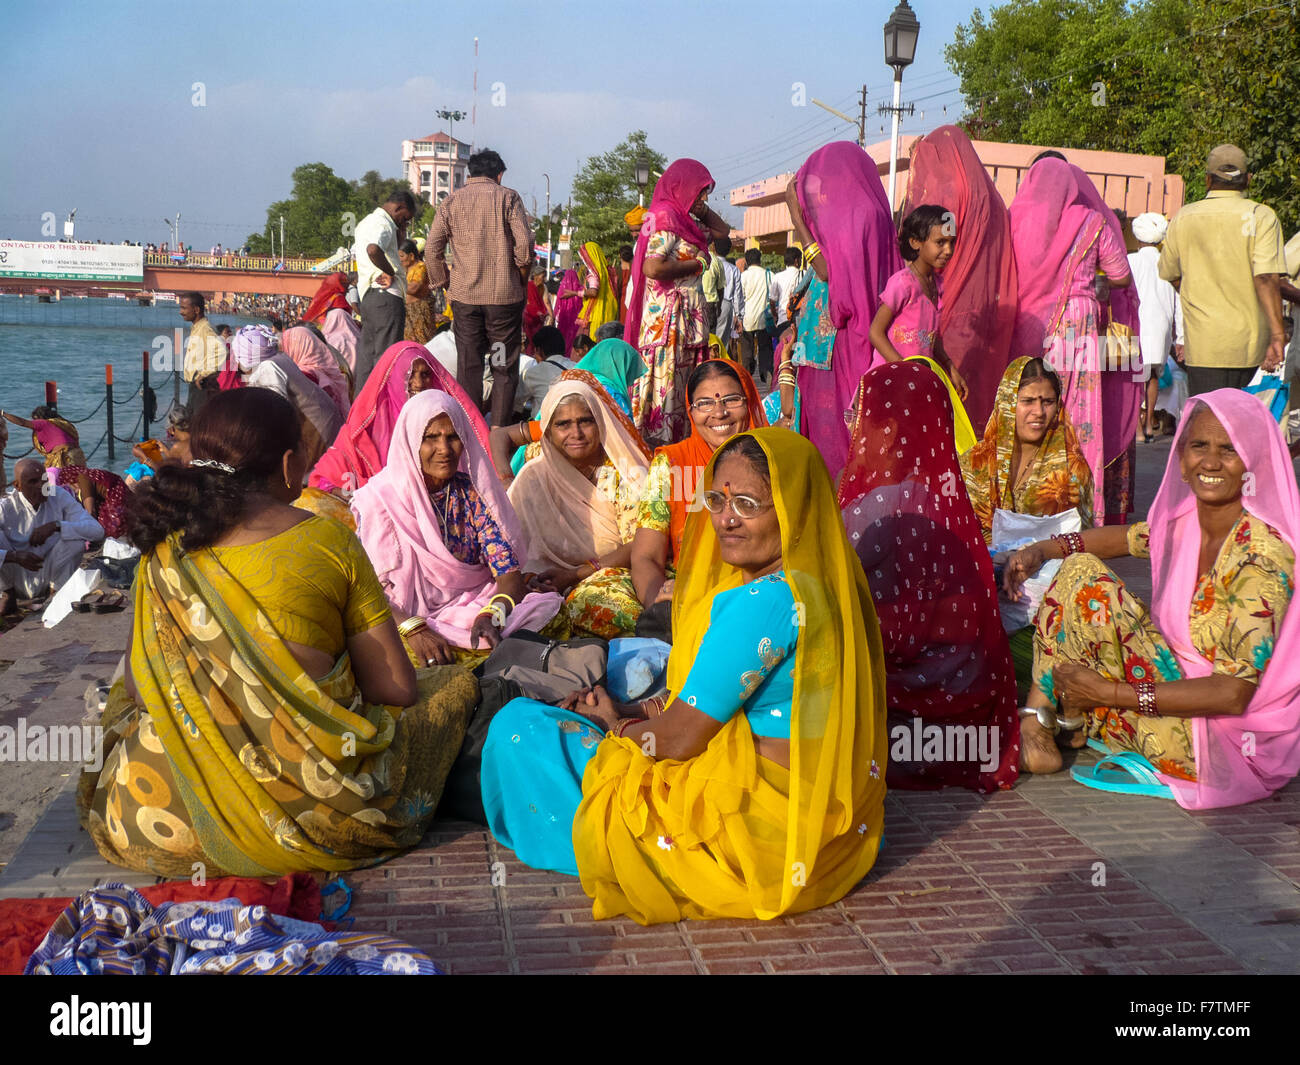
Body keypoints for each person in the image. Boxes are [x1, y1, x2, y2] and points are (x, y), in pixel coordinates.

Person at [479, 429, 888, 923]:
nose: (725, 519)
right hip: (818, 817)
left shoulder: (762, 603)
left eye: (747, 503)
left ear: (791, 508)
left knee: (518, 728)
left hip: (748, 827)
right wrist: (637, 709)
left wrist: (615, 724)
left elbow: (676, 741)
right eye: (717, 499)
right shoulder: (823, 585)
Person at [77, 388, 475, 876]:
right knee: (454, 685)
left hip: (152, 817)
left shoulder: (163, 551)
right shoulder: (329, 539)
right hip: (321, 815)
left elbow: (142, 692)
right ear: (289, 464)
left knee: (119, 691)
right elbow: (394, 687)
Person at [1005, 391, 1299, 797]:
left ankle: (1048, 718)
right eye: (1199, 446)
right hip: (1173, 693)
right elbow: (1123, 538)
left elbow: (1232, 694)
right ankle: (1056, 718)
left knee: (1088, 645)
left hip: (1222, 741)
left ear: (1253, 462)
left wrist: (1108, 692)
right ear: (1180, 459)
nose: (1211, 462)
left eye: (1229, 450)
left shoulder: (1262, 556)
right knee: (1079, 569)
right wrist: (1044, 550)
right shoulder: (1185, 524)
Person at [840, 361, 1020, 788]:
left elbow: (831, 575)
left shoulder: (872, 506)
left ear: (884, 430)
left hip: (898, 691)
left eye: (860, 415)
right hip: (960, 693)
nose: (853, 426)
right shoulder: (947, 499)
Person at [350, 390, 562, 666]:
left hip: (471, 606)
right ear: (410, 441)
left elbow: (508, 575)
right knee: (401, 655)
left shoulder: (472, 492)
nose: (444, 450)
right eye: (431, 438)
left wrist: (492, 615)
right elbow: (365, 589)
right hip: (400, 618)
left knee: (546, 609)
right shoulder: (379, 501)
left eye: (452, 437)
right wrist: (413, 628)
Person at [1009, 157, 1134, 525]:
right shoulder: (1091, 221)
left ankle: (1027, 502)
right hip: (1077, 326)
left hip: (1029, 325)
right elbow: (1121, 274)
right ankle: (1077, 511)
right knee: (1079, 419)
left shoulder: (1017, 218)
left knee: (1033, 411)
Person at [783, 142, 903, 479]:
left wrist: (796, 218)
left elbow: (827, 272)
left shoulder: (858, 215)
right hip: (834, 346)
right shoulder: (867, 210)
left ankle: (837, 517)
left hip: (840, 347)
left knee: (836, 444)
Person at [508, 379, 652, 638]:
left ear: (600, 422)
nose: (576, 433)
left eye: (585, 421)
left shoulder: (624, 473)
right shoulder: (535, 474)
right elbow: (510, 546)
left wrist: (575, 574)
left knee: (605, 607)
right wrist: (531, 580)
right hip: (543, 582)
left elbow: (641, 544)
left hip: (612, 574)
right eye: (563, 424)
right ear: (548, 430)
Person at [901, 124, 1019, 428]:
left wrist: (917, 165)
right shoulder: (991, 197)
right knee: (974, 401)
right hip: (985, 312)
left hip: (947, 306)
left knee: (939, 413)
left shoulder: (947, 190)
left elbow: (916, 235)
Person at [630, 359, 767, 613]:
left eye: (731, 399)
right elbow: (645, 556)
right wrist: (660, 607)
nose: (719, 413)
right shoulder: (671, 465)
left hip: (760, 588)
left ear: (749, 401)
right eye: (705, 403)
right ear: (691, 412)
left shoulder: (772, 461)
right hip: (689, 589)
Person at [1158, 144, 1288, 395]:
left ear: (1208, 180)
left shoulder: (1183, 217)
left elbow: (1172, 275)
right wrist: (1277, 335)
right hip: (1251, 347)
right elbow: (1266, 277)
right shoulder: (1261, 216)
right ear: (1247, 180)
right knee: (1242, 425)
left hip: (1204, 346)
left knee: (1208, 423)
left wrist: (1199, 295)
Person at [623, 158, 732, 446]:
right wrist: (695, 266)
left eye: (705, 191)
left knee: (686, 387)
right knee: (667, 389)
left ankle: (684, 451)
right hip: (668, 325)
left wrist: (698, 206)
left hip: (688, 324)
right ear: (682, 188)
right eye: (700, 191)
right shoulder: (665, 217)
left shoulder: (686, 222)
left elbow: (723, 233)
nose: (705, 197)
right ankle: (661, 454)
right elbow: (653, 268)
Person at [425, 148, 533, 426]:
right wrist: (520, 279)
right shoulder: (508, 197)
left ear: (470, 173)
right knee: (502, 367)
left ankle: (470, 429)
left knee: (469, 365)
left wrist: (446, 285)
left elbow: (431, 251)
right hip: (503, 301)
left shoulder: (450, 202)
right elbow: (524, 246)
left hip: (466, 299)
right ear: (498, 174)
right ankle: (497, 430)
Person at [309, 341, 487, 498]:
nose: (418, 383)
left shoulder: (443, 421)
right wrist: (361, 500)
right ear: (392, 378)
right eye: (408, 375)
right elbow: (326, 479)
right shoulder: (365, 425)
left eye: (425, 374)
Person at [959, 357, 1094, 544]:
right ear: (1007, 402)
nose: (1039, 412)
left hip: (1050, 565)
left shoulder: (1072, 468)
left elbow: (1081, 540)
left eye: (1048, 402)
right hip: (979, 565)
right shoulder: (974, 463)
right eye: (1028, 401)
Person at [869, 203, 972, 416]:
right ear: (916, 242)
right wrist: (904, 370)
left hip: (915, 385)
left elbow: (931, 339)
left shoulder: (937, 284)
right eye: (940, 242)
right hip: (891, 382)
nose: (948, 250)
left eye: (951, 243)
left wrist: (951, 368)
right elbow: (875, 332)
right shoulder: (903, 283)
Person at [229, 325, 345, 472]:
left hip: (317, 431)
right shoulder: (279, 358)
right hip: (325, 422)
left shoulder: (268, 368)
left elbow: (274, 415)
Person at [0, 458, 104, 613]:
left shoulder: (58, 495)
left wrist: (57, 526)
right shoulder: (5, 506)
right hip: (16, 577)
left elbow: (97, 531)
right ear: (18, 486)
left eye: (43, 480)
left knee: (75, 540)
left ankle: (57, 593)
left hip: (50, 573)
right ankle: (8, 594)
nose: (41, 486)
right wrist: (14, 556)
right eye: (33, 482)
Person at [353, 190, 416, 387]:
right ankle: (380, 410)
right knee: (386, 360)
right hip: (386, 297)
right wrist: (389, 270)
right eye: (405, 219)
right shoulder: (384, 224)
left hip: (370, 297)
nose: (404, 224)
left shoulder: (365, 223)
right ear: (399, 208)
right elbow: (373, 249)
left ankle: (361, 411)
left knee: (368, 360)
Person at [1128, 212, 1179, 441]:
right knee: (1153, 377)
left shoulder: (1131, 261)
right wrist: (1181, 338)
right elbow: (1179, 301)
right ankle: (1149, 425)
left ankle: (1137, 430)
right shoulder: (1169, 263)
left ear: (1138, 238)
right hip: (1161, 328)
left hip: (1138, 327)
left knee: (1134, 379)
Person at [280, 326, 351, 418]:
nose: (284, 352)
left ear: (296, 347)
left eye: (287, 347)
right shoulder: (324, 369)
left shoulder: (305, 375)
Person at [53, 464, 129, 541]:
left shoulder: (83, 479)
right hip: (128, 500)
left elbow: (90, 512)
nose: (75, 491)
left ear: (70, 480)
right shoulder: (90, 474)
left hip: (120, 510)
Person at [180, 292, 224, 413]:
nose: (181, 312)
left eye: (184, 308)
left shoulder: (205, 329)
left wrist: (205, 373)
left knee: (197, 423)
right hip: (197, 384)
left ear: (196, 310)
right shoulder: (198, 328)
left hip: (201, 386)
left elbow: (221, 351)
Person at [0, 406, 84, 468]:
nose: (34, 422)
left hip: (63, 456)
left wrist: (3, 413)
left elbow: (22, 422)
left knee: (55, 484)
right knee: (77, 484)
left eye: (34, 419)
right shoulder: (62, 424)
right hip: (77, 454)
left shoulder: (43, 423)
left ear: (40, 417)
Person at [738, 248, 773, 382]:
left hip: (747, 317)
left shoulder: (743, 276)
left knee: (747, 349)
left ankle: (746, 376)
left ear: (746, 261)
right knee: (765, 348)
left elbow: (740, 296)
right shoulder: (768, 275)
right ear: (760, 259)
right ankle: (766, 373)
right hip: (764, 318)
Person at [575, 241, 619, 341]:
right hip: (609, 313)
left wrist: (574, 293)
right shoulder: (608, 272)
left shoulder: (594, 274)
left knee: (594, 343)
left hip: (595, 315)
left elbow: (593, 292)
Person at [400, 239, 437, 344]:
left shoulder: (420, 267)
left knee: (421, 342)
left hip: (418, 311)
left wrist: (396, 282)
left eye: (402, 256)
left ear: (411, 256)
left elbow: (413, 288)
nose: (400, 260)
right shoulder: (406, 269)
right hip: (408, 312)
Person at [768, 246, 802, 343]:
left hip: (783, 319)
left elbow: (772, 301)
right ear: (796, 260)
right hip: (800, 320)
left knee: (783, 349)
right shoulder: (804, 274)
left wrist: (775, 316)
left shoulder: (777, 277)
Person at [714, 237, 740, 354]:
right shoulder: (733, 269)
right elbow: (737, 294)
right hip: (726, 305)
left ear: (713, 248)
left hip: (709, 303)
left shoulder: (710, 264)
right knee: (721, 344)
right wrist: (738, 315)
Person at [552, 267, 584, 353]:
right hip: (577, 319)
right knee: (574, 338)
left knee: (564, 336)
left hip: (564, 318)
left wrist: (554, 317)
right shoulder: (581, 289)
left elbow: (557, 306)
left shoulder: (562, 290)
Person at [522, 264, 551, 353]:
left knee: (536, 340)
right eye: (543, 276)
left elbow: (546, 302)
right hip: (529, 318)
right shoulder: (528, 286)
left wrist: (550, 315)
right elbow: (527, 303)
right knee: (529, 340)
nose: (544, 279)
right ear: (536, 276)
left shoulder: (543, 287)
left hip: (539, 319)